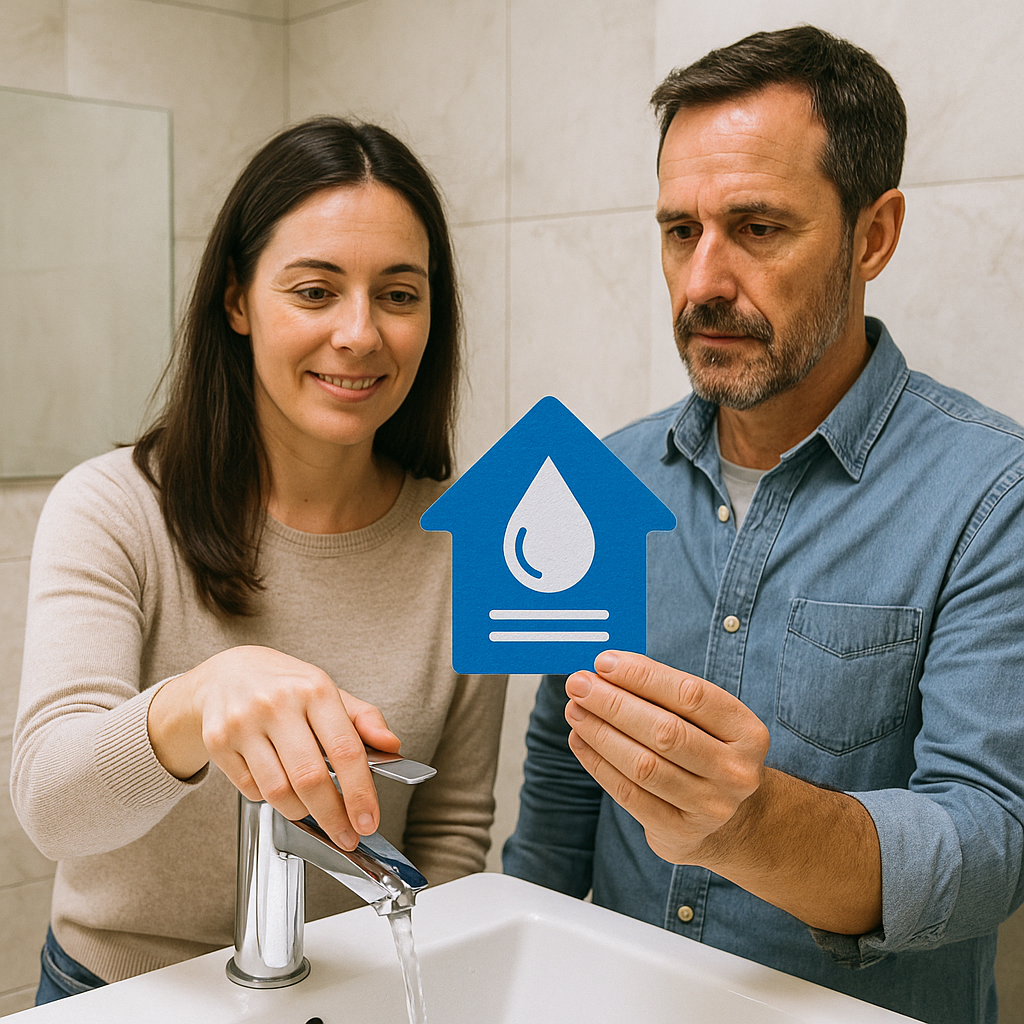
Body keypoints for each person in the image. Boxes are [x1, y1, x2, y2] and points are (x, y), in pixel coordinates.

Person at [503, 26, 1024, 1024]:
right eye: (677, 230)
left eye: (756, 228)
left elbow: (992, 844)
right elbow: (562, 772)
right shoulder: (596, 478)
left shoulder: (993, 495)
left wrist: (750, 822)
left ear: (872, 234)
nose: (702, 281)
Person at [11, 116, 506, 1003]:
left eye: (399, 295)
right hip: (120, 992)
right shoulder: (116, 507)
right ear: (237, 300)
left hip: (352, 993)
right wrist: (199, 700)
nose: (360, 334)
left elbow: (454, 834)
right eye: (315, 292)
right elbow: (53, 803)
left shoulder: (471, 542)